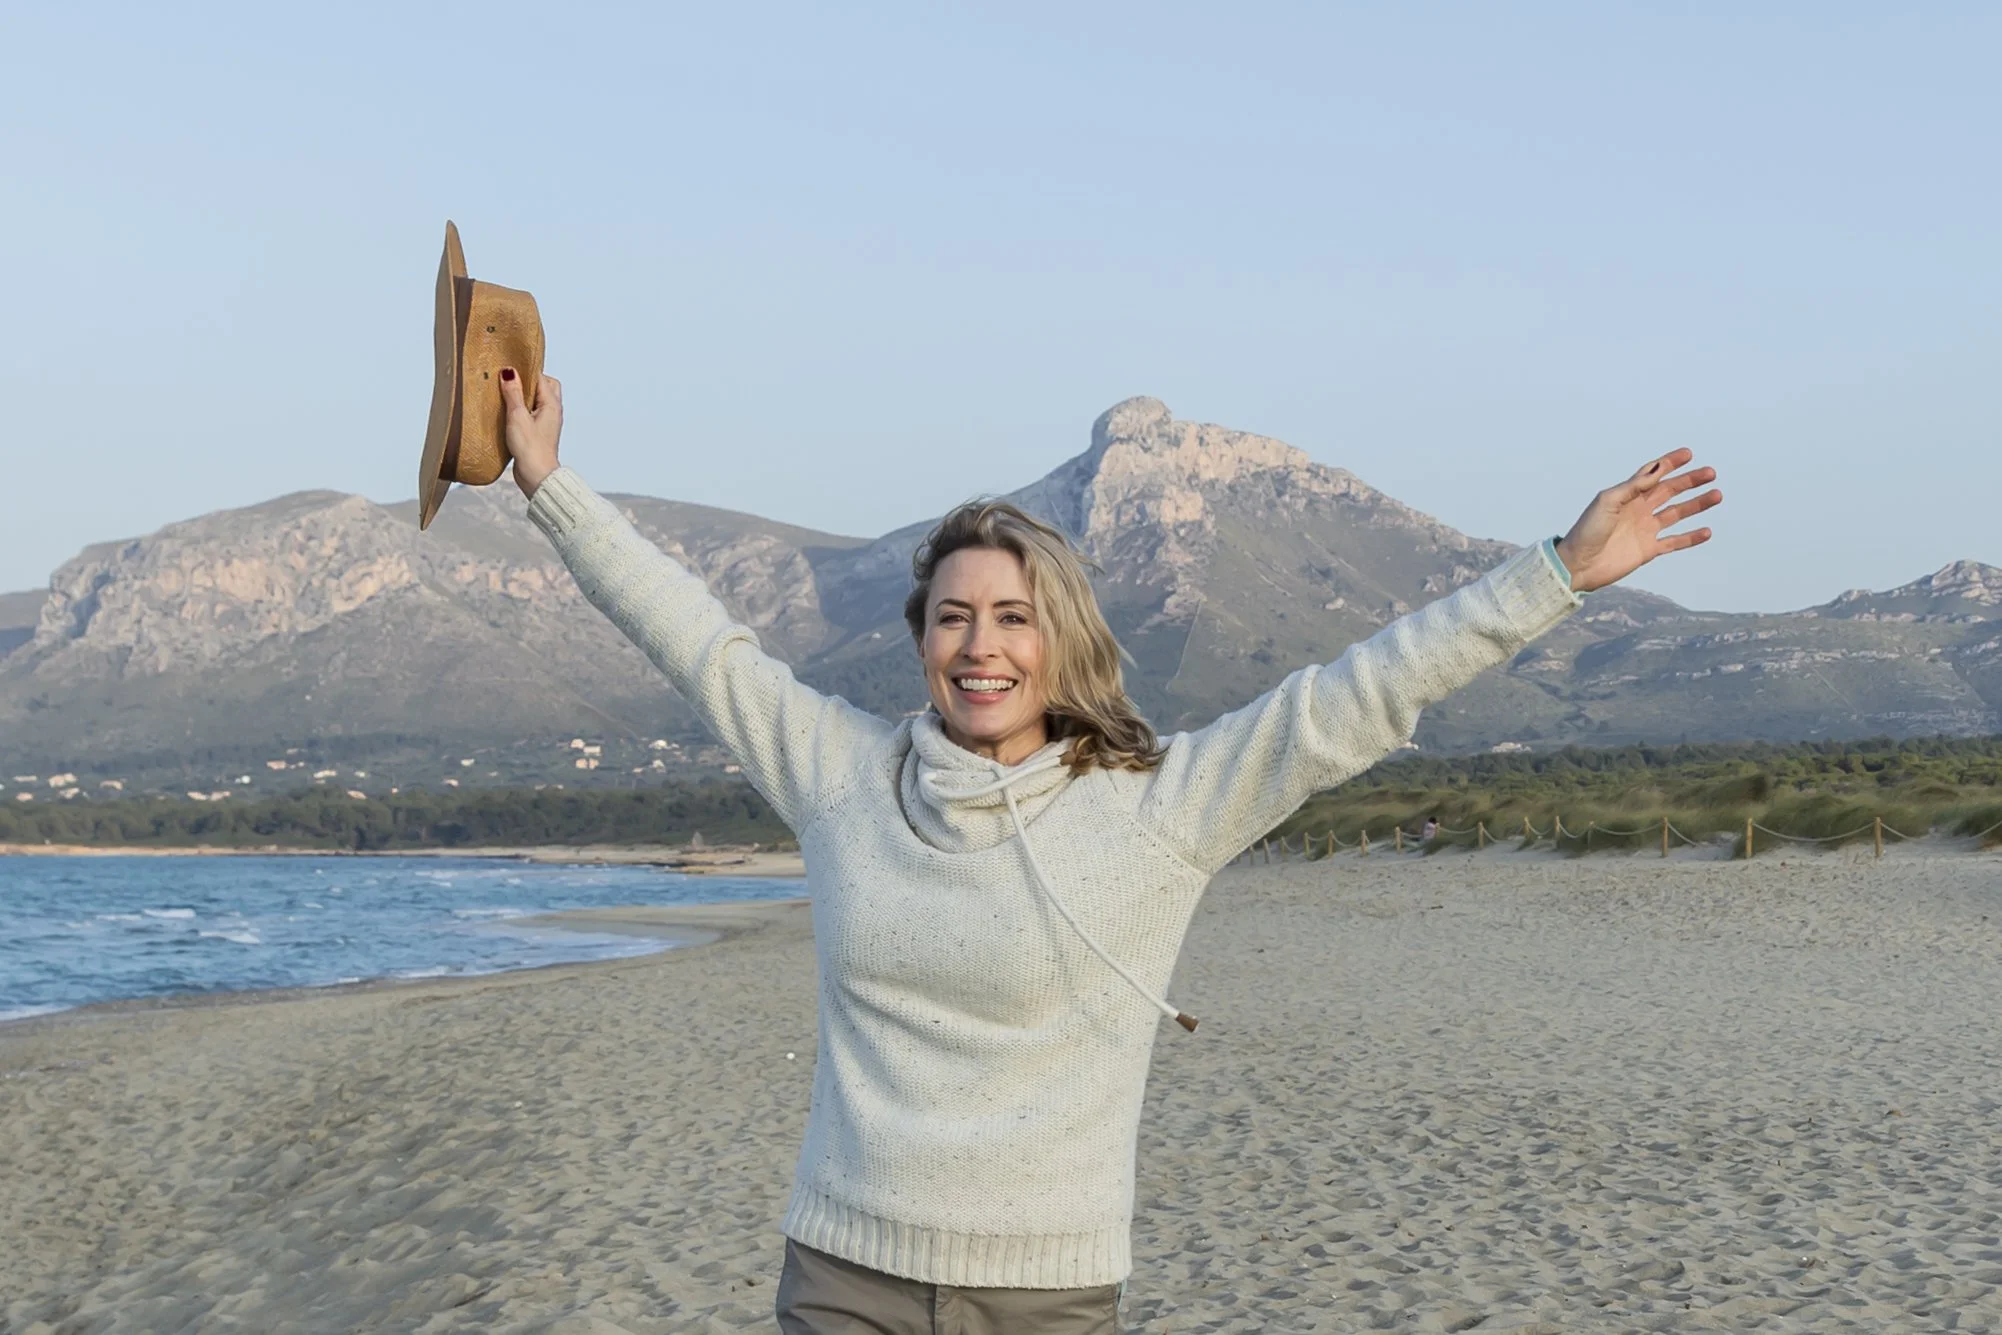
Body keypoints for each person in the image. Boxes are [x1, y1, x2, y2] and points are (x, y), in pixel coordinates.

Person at [497, 366, 1720, 1332]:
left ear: (1060, 642)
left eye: (1013, 619)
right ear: (920, 639)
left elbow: (1352, 698)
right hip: (842, 1275)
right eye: (955, 617)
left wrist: (1557, 573)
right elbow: (700, 643)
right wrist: (551, 485)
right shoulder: (841, 776)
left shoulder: (1160, 806)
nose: (982, 647)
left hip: (1047, 1294)